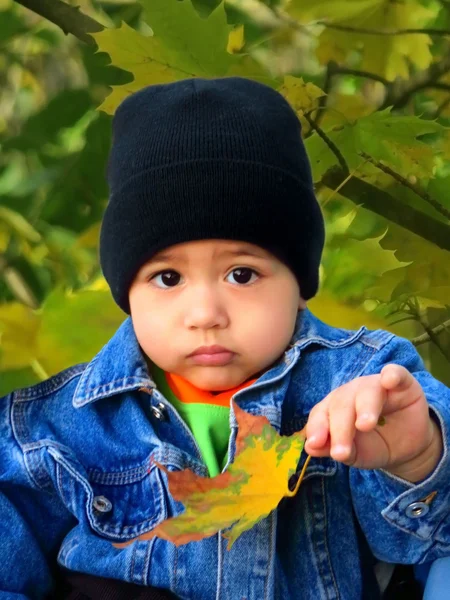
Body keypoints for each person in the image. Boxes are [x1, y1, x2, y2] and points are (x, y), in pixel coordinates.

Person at [0, 76, 449, 600]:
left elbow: (428, 543)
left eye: (242, 274)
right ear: (127, 292)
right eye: (167, 278)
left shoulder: (362, 386)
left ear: (300, 284)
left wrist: (417, 458)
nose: (205, 314)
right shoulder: (55, 430)